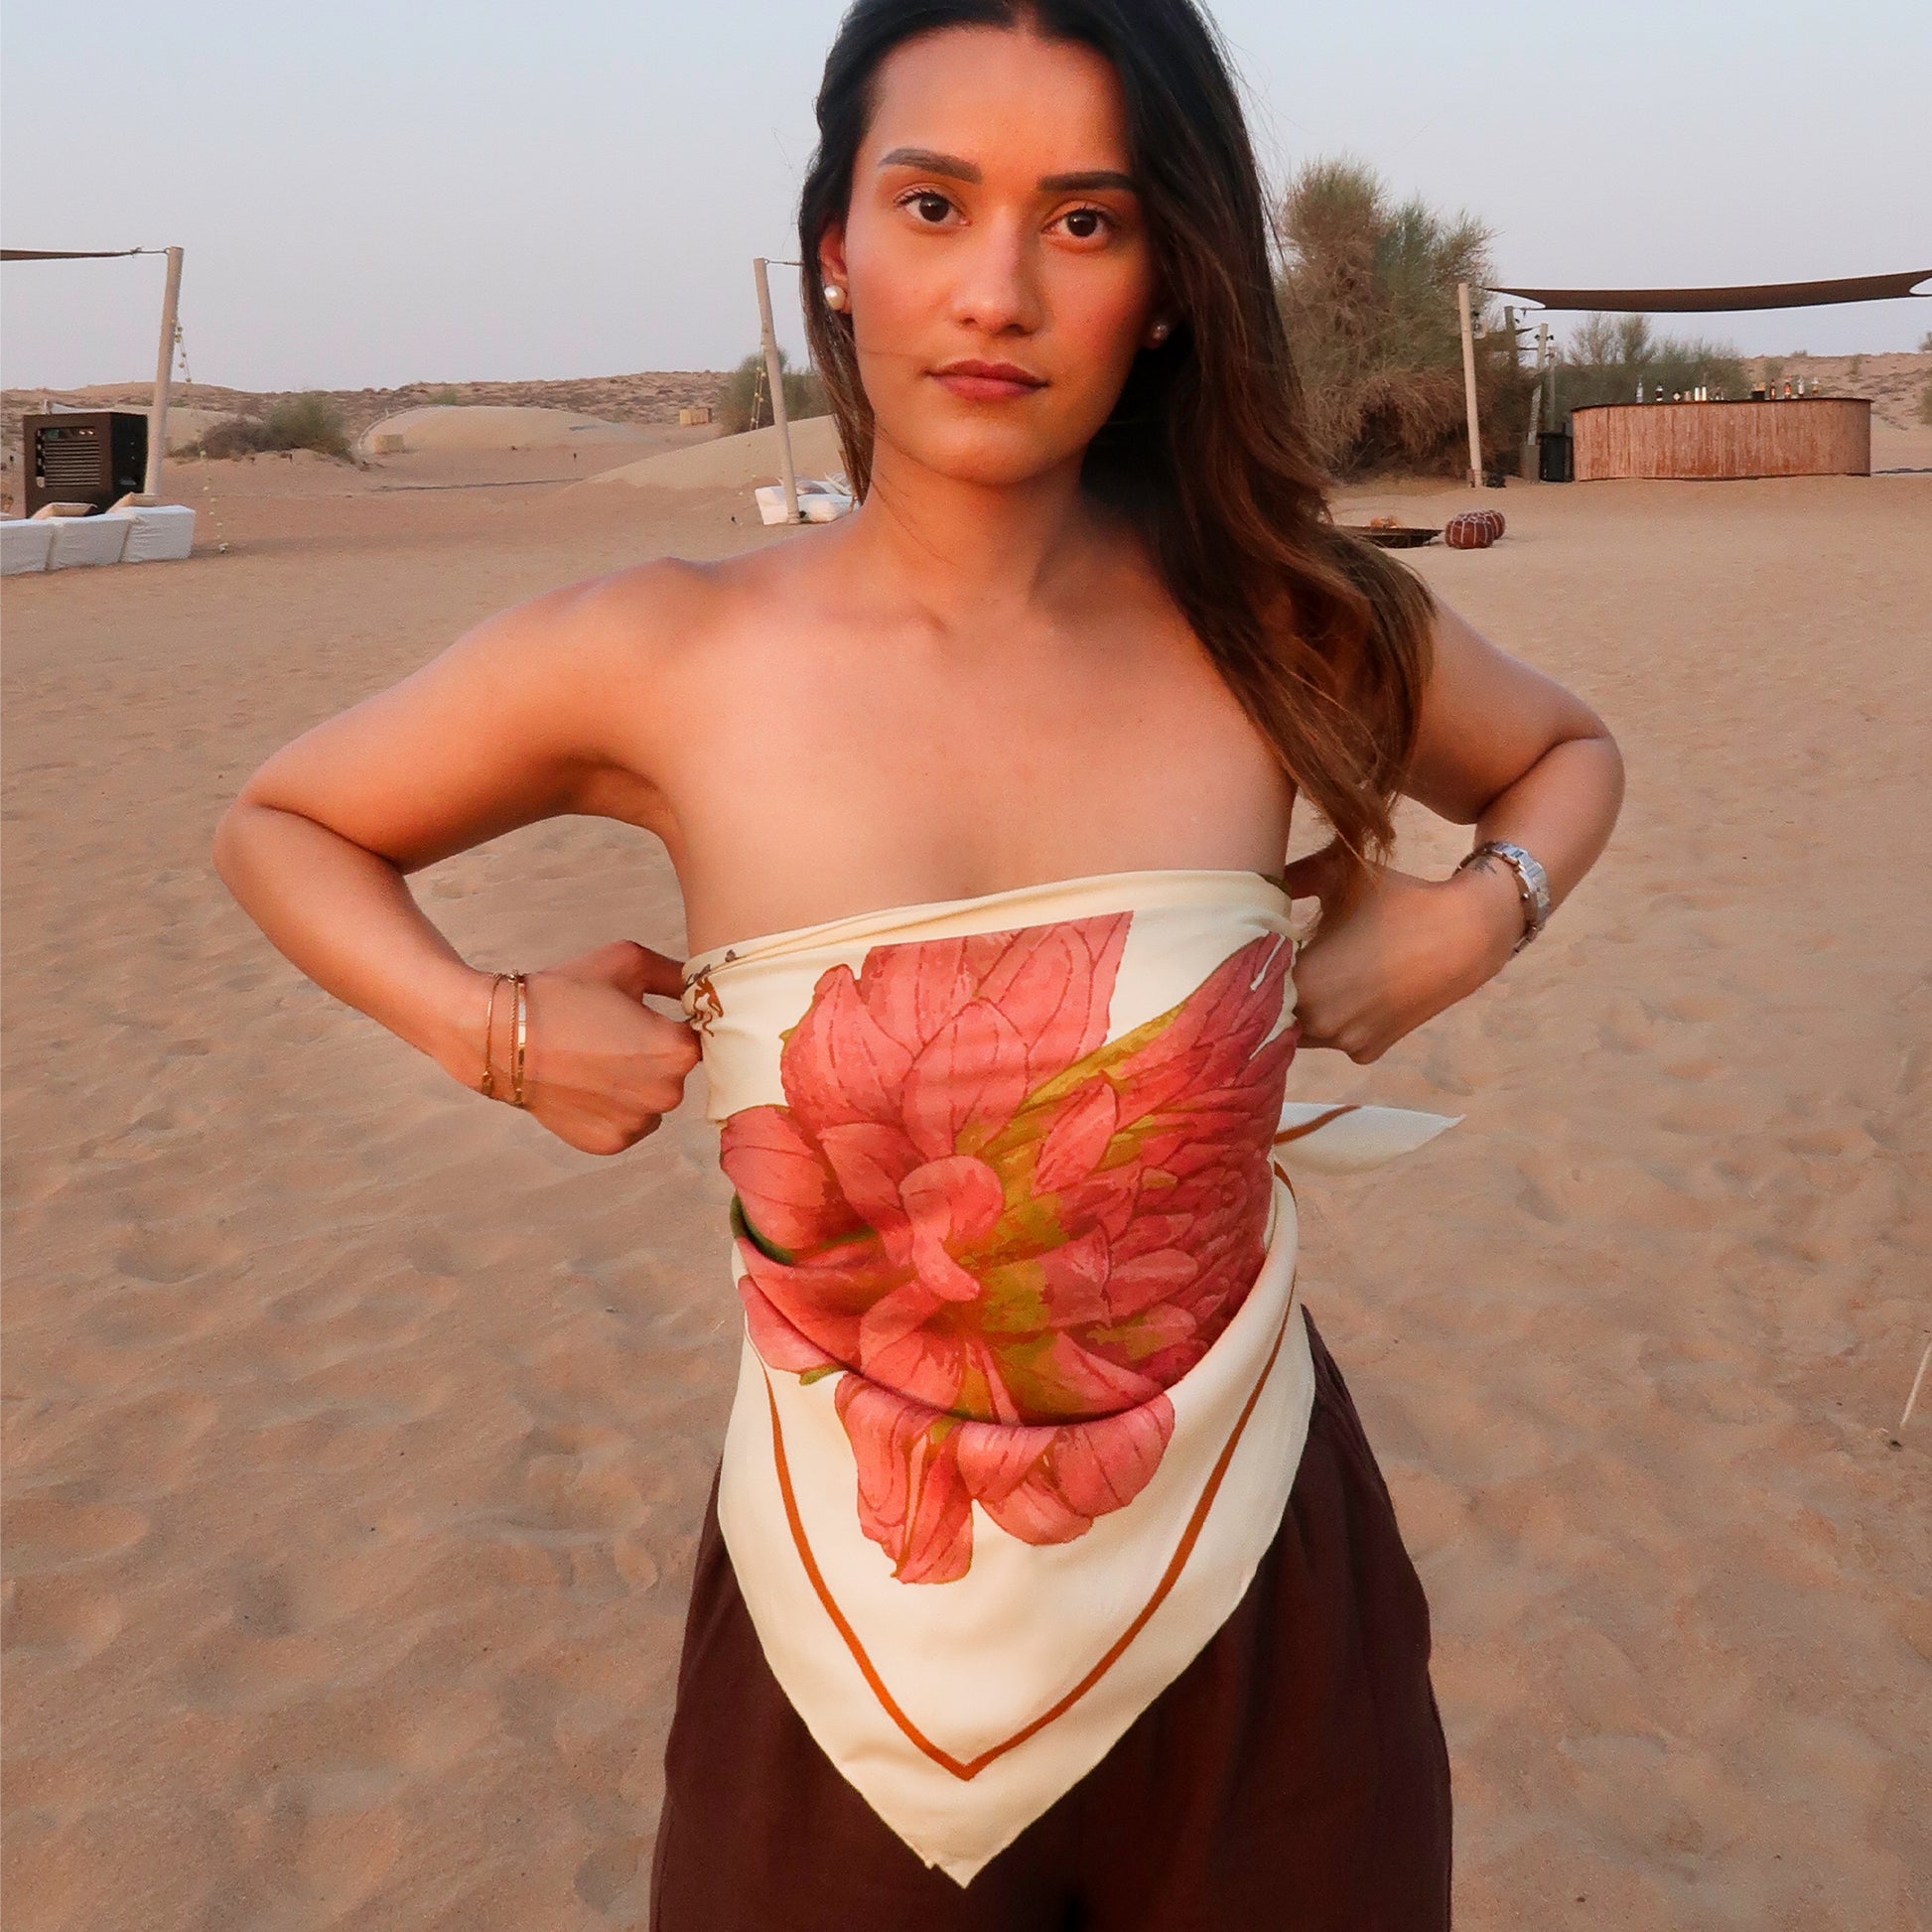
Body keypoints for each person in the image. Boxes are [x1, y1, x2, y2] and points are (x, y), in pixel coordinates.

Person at [213, 1, 1623, 1924]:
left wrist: (1474, 916)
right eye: (935, 202)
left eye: (1087, 222)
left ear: (1171, 286)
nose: (998, 290)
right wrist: (498, 1034)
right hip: (831, 1645)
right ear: (834, 247)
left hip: (1259, 1610)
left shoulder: (1271, 616)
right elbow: (284, 825)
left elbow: (1566, 754)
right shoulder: (667, 651)